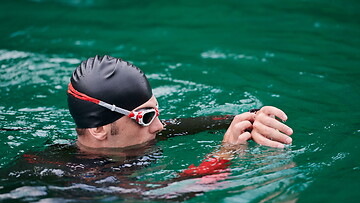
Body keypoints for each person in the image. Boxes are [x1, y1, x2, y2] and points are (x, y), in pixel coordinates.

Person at [67, 55, 293, 153]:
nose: (159, 126)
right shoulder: (73, 178)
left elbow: (222, 122)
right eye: (145, 117)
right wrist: (225, 153)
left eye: (156, 112)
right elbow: (168, 199)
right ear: (98, 129)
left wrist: (255, 118)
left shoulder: (149, 133)